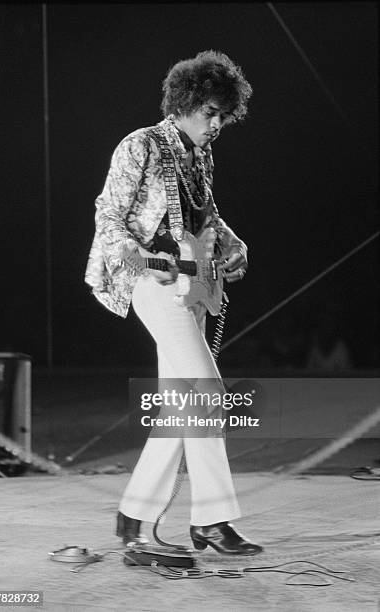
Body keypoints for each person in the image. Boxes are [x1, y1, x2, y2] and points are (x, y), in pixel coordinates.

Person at [85, 50, 262, 555]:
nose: (217, 124)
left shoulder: (200, 154)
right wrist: (143, 257)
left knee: (181, 409)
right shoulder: (140, 145)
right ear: (184, 103)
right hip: (149, 284)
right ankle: (209, 519)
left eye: (223, 115)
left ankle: (137, 517)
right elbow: (108, 218)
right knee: (206, 393)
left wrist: (235, 246)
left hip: (192, 290)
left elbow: (206, 217)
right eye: (210, 112)